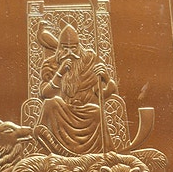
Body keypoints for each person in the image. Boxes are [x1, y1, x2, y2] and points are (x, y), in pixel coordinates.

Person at [34, 24, 116, 155]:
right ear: (59, 48)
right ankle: (52, 148)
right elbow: (44, 93)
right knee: (50, 103)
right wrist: (60, 72)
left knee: (97, 111)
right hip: (62, 112)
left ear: (79, 47)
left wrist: (107, 79)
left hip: (85, 112)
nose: (70, 53)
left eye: (73, 48)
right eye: (65, 49)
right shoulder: (51, 64)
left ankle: (98, 155)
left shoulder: (89, 62)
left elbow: (102, 96)